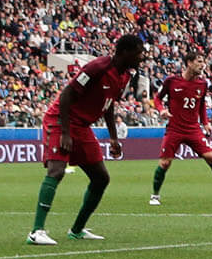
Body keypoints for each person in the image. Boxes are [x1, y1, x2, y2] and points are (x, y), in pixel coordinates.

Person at [28, 33, 144, 245]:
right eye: (138, 53)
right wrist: (64, 132)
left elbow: (109, 105)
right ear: (125, 52)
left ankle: (77, 230)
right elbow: (66, 95)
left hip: (82, 126)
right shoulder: (97, 67)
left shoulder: (125, 75)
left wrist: (113, 138)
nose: (141, 57)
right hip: (60, 120)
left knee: (101, 178)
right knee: (57, 170)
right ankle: (37, 231)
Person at [149, 53, 212, 206]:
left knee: (211, 157)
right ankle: (155, 196)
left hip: (193, 128)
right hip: (174, 129)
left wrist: (205, 123)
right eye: (199, 62)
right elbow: (157, 98)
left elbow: (201, 105)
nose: (202, 65)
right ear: (189, 63)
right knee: (165, 162)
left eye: (203, 62)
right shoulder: (172, 81)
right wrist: (161, 110)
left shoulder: (203, 84)